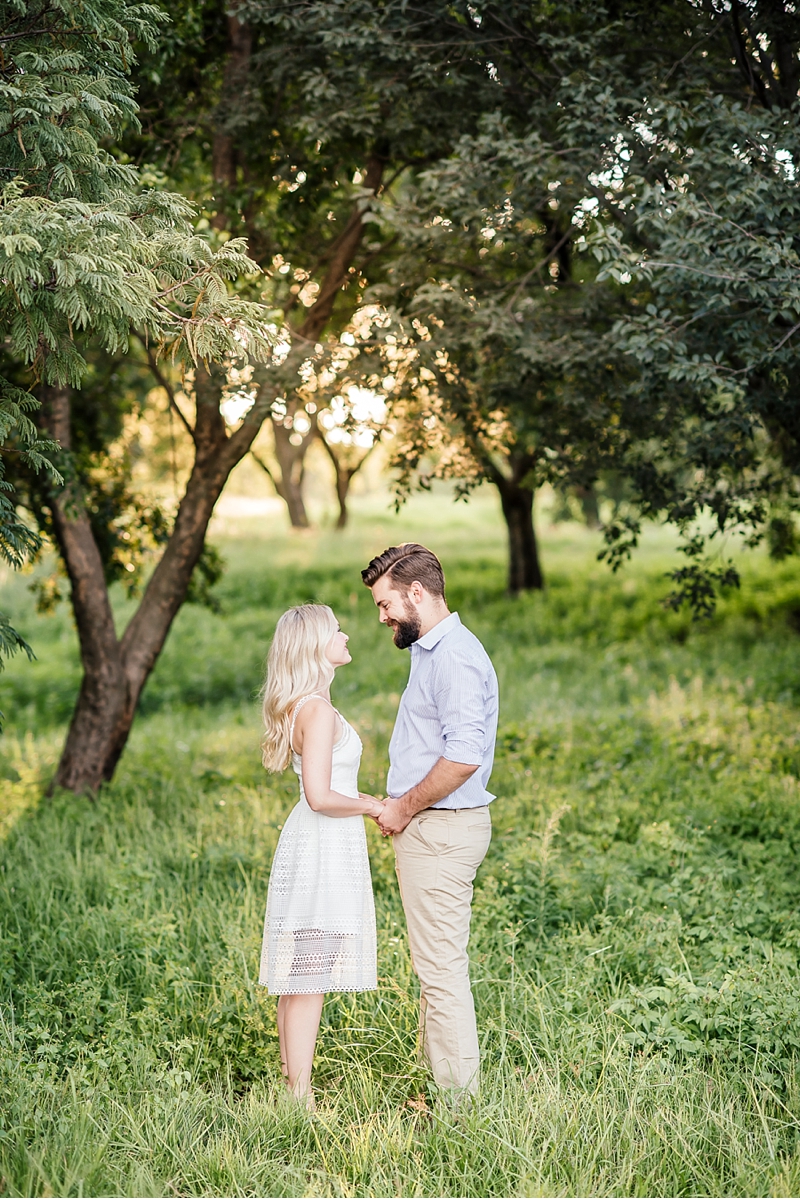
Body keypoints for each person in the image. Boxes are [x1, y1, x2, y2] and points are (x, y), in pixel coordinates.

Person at [361, 543, 499, 1101]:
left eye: (385, 603)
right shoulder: (430, 651)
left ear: (416, 593)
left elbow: (464, 756)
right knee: (433, 969)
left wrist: (403, 806)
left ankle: (460, 1110)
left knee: (441, 973)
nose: (382, 617)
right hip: (434, 827)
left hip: (441, 829)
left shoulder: (454, 658)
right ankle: (436, 1084)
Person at [259, 603, 384, 1107]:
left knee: (301, 974)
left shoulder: (307, 706)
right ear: (315, 645)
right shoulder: (316, 710)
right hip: (322, 842)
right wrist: (373, 806)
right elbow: (320, 795)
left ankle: (291, 1087)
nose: (346, 635)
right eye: (336, 629)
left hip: (320, 839)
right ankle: (300, 1097)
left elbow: (328, 790)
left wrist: (365, 802)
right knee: (310, 973)